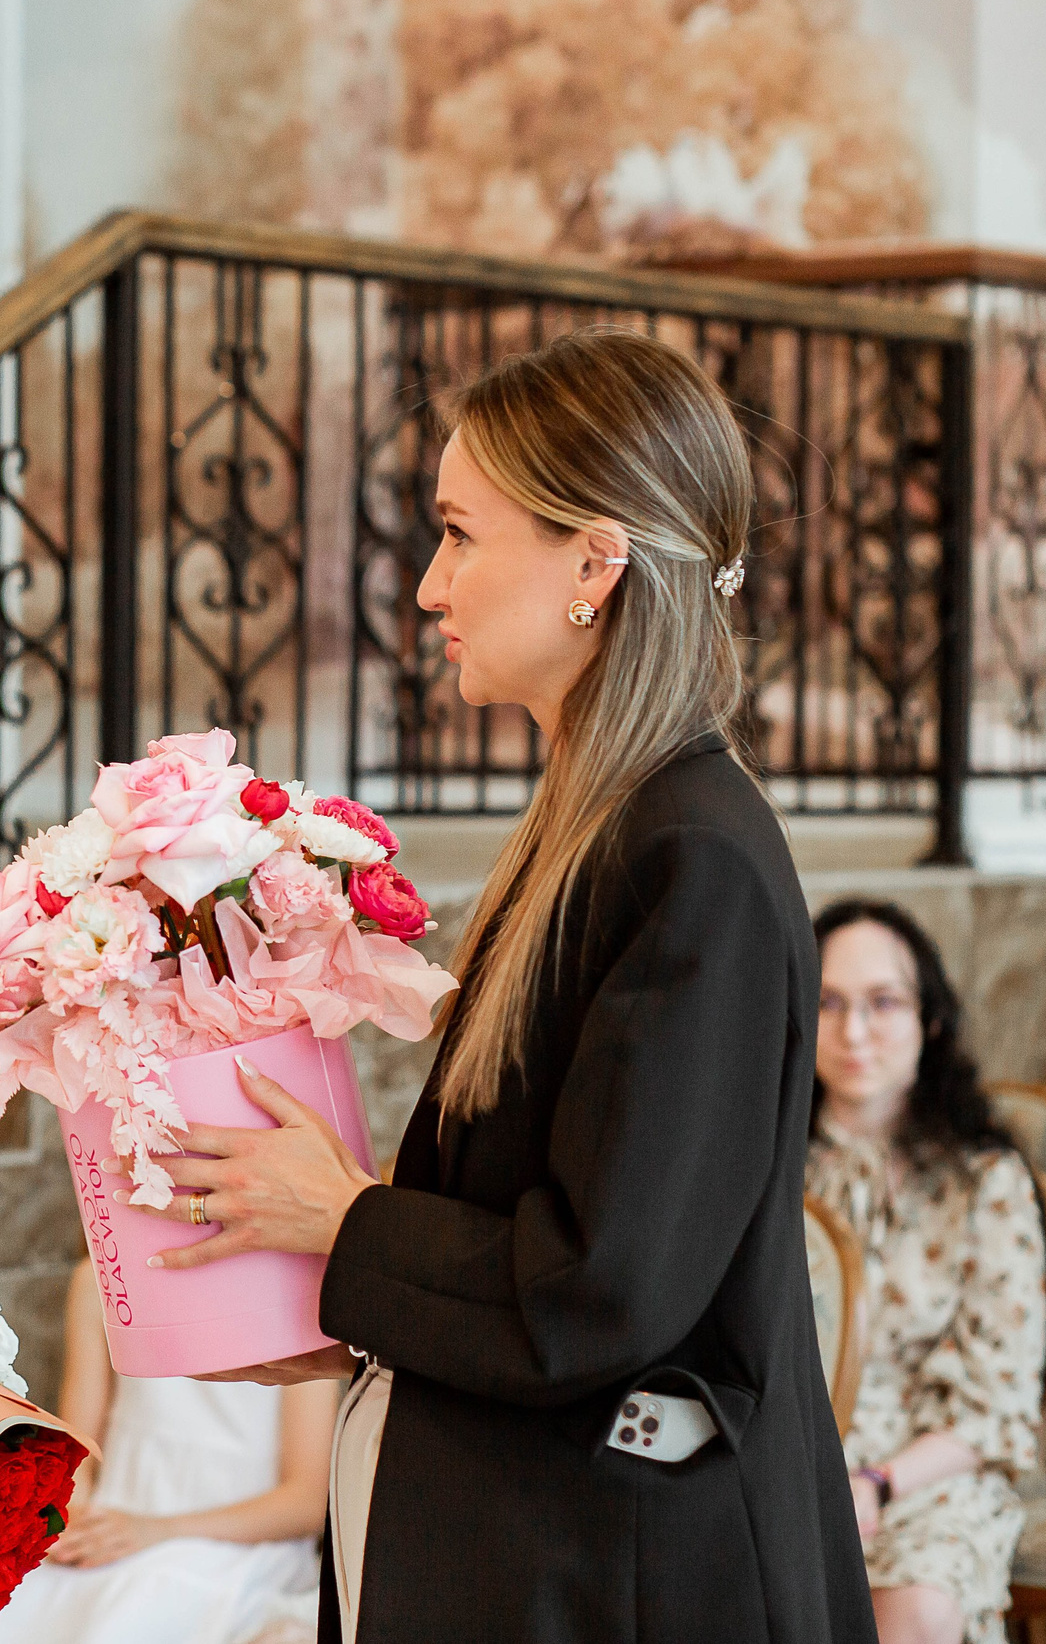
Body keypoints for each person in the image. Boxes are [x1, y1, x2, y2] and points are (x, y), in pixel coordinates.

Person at [141, 328, 877, 1641]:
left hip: (629, 1580)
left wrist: (348, 1222)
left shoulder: (690, 855)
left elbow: (605, 1283)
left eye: (461, 535)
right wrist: (346, 1297)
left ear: (595, 563)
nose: (429, 587)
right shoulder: (600, 827)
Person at [807, 898, 1045, 1644]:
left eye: (883, 1002)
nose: (854, 1031)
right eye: (828, 1002)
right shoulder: (766, 1170)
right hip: (798, 1465)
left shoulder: (986, 1181)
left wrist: (877, 1483)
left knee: (913, 1610)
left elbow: (998, 1399)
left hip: (935, 1474)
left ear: (929, 1019)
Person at [0, 1258, 329, 1644]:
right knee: (10, 1607)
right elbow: (79, 1452)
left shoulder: (298, 1287)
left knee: (128, 1617)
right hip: (114, 1521)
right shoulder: (102, 1275)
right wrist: (74, 1520)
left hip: (239, 1541)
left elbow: (308, 1500)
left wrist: (156, 1531)